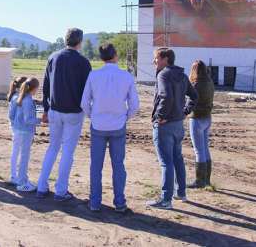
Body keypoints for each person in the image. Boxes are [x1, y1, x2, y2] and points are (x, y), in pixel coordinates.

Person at [81, 43, 139, 213]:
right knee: (118, 165)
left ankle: (95, 202)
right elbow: (134, 104)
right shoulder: (126, 76)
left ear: (101, 58)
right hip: (118, 125)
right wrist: (125, 117)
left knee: (96, 166)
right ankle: (119, 203)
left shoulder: (93, 75)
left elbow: (84, 102)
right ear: (115, 56)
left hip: (98, 125)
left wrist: (93, 115)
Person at [36, 28, 92, 201]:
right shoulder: (83, 62)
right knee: (67, 151)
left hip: (54, 110)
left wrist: (45, 108)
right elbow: (88, 90)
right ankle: (61, 191)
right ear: (80, 41)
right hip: (74, 112)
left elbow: (46, 85)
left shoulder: (53, 57)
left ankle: (41, 186)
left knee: (52, 148)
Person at [147, 47, 198, 209]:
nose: (154, 61)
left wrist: (160, 117)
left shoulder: (163, 74)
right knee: (177, 159)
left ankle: (166, 199)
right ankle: (181, 192)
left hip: (166, 125)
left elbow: (165, 96)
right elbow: (194, 96)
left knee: (166, 163)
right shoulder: (182, 76)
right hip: (178, 124)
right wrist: (185, 112)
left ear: (165, 58)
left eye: (156, 58)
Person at [8, 77, 40, 192]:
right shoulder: (27, 100)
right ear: (34, 88)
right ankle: (22, 182)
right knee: (24, 157)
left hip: (18, 130)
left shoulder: (21, 98)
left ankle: (19, 178)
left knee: (19, 154)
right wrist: (41, 121)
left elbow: (13, 116)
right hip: (25, 131)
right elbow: (28, 119)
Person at [187, 60, 215, 188]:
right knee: (205, 148)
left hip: (197, 118)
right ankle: (206, 180)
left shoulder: (195, 85)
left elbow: (189, 102)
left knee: (199, 150)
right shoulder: (210, 83)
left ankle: (199, 181)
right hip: (207, 118)